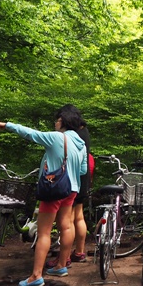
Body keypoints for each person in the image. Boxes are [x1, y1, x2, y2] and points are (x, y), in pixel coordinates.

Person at [0, 106, 88, 286]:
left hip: (54, 189)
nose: (55, 122)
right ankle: (61, 265)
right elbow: (82, 170)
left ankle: (36, 276)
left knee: (44, 231)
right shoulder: (81, 145)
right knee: (66, 226)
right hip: (71, 190)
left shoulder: (56, 137)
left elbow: (30, 134)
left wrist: (7, 125)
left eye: (57, 119)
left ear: (64, 121)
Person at [46, 105, 91, 268]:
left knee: (67, 220)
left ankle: (64, 258)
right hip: (83, 177)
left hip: (69, 178)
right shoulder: (84, 131)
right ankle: (79, 252)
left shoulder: (70, 134)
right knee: (79, 216)